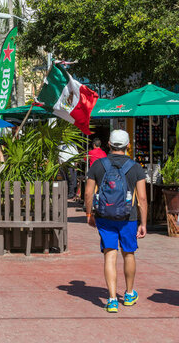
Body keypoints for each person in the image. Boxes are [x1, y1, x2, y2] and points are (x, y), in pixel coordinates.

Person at [84, 130, 147, 313]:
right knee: (128, 253)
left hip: (104, 216)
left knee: (110, 255)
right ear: (128, 146)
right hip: (129, 217)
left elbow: (88, 193)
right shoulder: (135, 167)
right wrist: (143, 223)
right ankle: (128, 294)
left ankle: (111, 300)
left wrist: (89, 214)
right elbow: (142, 198)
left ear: (109, 145)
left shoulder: (98, 165)